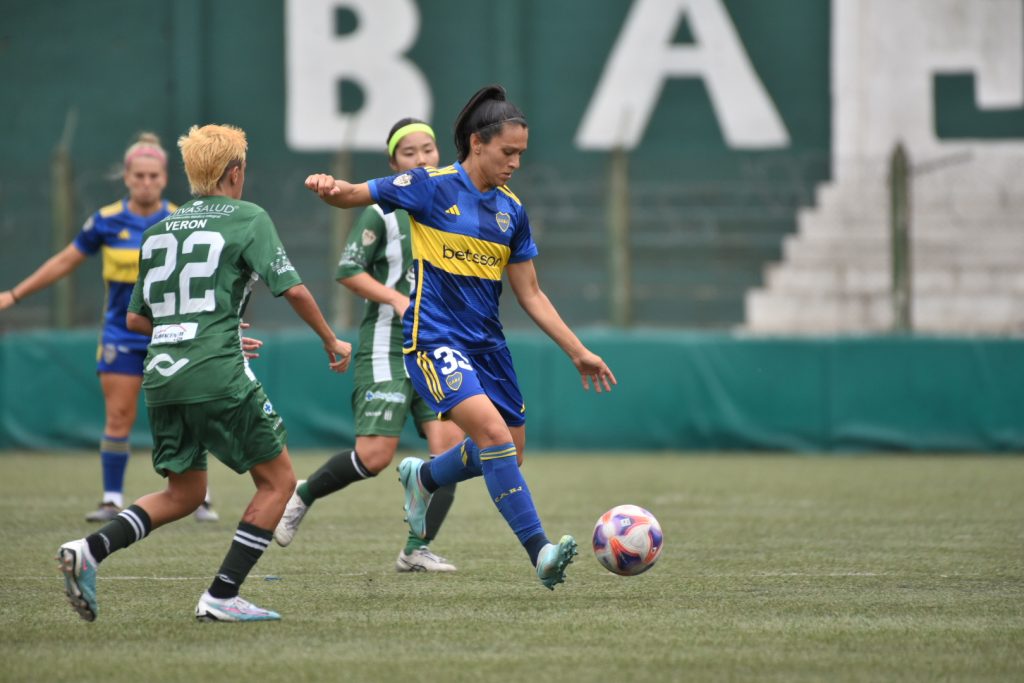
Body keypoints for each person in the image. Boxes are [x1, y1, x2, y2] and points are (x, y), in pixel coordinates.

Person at [305, 85, 617, 590]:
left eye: (521, 154)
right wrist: (328, 185)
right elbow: (353, 194)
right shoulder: (430, 186)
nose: (515, 162)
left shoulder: (511, 212)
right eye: (507, 152)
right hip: (433, 338)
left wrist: (578, 351)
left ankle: (423, 477)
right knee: (492, 436)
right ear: (477, 143)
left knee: (509, 454)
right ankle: (540, 553)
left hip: (487, 345)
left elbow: (532, 294)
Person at [56, 123, 352, 623]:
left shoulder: (158, 231)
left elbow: (135, 319)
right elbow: (294, 290)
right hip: (215, 371)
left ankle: (90, 550)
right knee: (279, 482)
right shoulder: (248, 217)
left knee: (186, 493)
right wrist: (331, 339)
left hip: (162, 376)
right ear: (235, 171)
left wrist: (210, 329)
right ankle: (221, 594)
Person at [275, 119, 464, 573]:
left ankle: (416, 549)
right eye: (410, 153)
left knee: (452, 454)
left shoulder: (453, 208)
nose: (422, 159)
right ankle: (303, 494)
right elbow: (348, 270)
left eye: (429, 149)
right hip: (388, 347)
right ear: (393, 164)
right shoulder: (381, 211)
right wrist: (397, 297)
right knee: (376, 457)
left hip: (436, 346)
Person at [0, 132, 219, 523]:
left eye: (154, 175)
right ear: (128, 178)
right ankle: (111, 499)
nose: (147, 182)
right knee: (119, 415)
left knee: (190, 411)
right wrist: (15, 295)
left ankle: (199, 496)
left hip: (168, 333)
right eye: (140, 176)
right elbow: (65, 261)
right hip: (121, 334)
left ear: (165, 177)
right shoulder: (105, 221)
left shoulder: (180, 218)